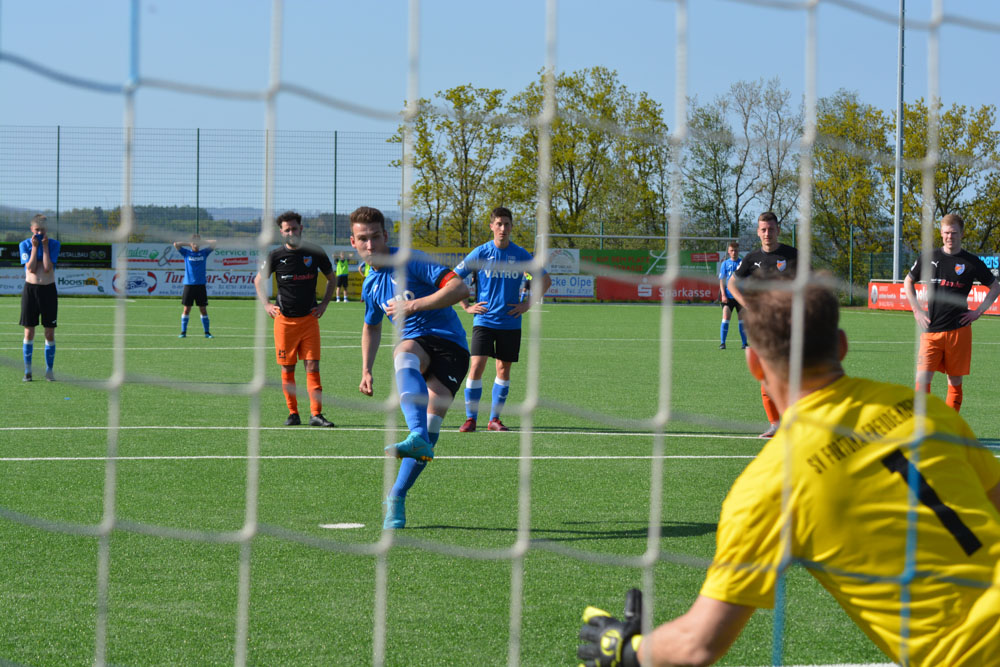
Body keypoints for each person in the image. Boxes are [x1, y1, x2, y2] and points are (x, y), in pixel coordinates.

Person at [577, 282, 1000, 667]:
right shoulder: (923, 409)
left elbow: (698, 645)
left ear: (755, 364)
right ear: (841, 345)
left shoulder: (771, 483)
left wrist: (625, 649)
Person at [350, 206, 470, 530]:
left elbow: (460, 288)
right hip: (416, 346)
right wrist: (366, 370)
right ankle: (414, 442)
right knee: (404, 351)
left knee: (432, 429)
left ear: (386, 236)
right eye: (364, 239)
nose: (371, 245)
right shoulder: (371, 285)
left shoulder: (411, 260)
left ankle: (397, 493)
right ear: (354, 242)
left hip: (452, 347)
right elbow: (371, 326)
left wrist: (412, 305)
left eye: (376, 237)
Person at [453, 206, 552, 433]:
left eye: (506, 224)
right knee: (476, 366)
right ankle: (470, 419)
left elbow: (545, 280)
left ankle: (494, 420)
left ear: (512, 227)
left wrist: (527, 305)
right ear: (491, 226)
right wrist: (466, 306)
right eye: (498, 224)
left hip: (510, 322)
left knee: (503, 370)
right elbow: (454, 278)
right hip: (484, 321)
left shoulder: (521, 255)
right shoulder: (481, 253)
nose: (503, 228)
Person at [904, 213, 1000, 413]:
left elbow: (995, 287)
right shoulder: (929, 258)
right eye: (946, 232)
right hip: (931, 330)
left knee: (954, 382)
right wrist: (916, 310)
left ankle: (949, 424)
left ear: (962, 234)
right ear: (941, 233)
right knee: (922, 378)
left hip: (959, 331)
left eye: (954, 233)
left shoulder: (971, 262)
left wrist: (978, 312)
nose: (950, 237)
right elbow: (908, 281)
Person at [253, 211, 336, 428]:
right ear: (281, 232)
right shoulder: (275, 256)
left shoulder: (315, 252)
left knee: (312, 366)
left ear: (301, 228)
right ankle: (293, 413)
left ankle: (316, 414)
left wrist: (324, 304)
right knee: (287, 369)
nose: (291, 232)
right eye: (287, 229)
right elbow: (258, 280)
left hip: (309, 320)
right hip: (284, 322)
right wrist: (266, 304)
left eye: (294, 228)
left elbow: (332, 279)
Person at [727, 211, 798, 438]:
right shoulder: (751, 259)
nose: (768, 233)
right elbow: (731, 283)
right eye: (763, 229)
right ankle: (775, 425)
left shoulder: (793, 255)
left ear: (778, 230)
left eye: (771, 229)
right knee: (766, 376)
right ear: (758, 232)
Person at [19, 214, 61, 382]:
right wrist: (35, 248)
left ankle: (49, 371)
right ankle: (28, 371)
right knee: (29, 332)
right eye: (36, 230)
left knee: (49, 333)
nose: (39, 233)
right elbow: (30, 268)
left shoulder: (54, 244)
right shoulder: (24, 245)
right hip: (30, 291)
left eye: (42, 230)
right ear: (31, 229)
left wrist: (44, 247)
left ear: (46, 229)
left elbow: (47, 268)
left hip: (48, 290)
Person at [173, 233, 216, 338]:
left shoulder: (204, 252)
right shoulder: (186, 253)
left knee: (203, 309)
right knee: (186, 309)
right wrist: (190, 244)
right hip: (189, 285)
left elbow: (214, 242)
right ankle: (183, 332)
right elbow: (176, 244)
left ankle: (207, 333)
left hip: (200, 285)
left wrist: (201, 242)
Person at [716, 241, 747, 350]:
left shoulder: (743, 263)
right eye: (732, 250)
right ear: (728, 252)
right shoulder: (725, 264)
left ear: (738, 251)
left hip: (739, 297)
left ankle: (744, 343)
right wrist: (723, 295)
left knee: (742, 320)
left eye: (736, 250)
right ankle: (722, 343)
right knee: (725, 318)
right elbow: (722, 280)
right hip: (728, 296)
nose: (734, 252)